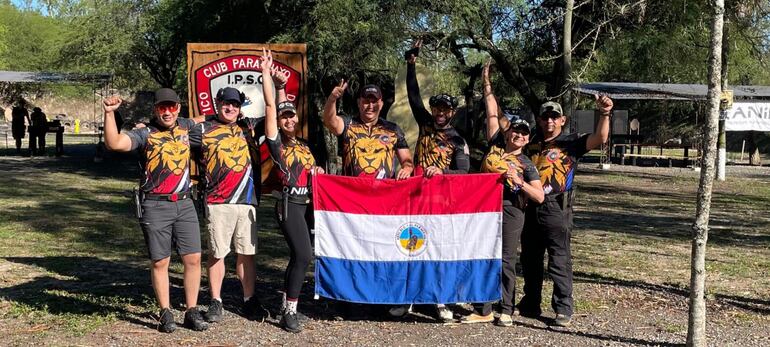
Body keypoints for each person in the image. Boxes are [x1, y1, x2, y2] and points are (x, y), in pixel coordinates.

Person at [101, 88, 208, 333]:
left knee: (193, 258)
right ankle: (165, 312)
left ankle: (191, 310)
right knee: (161, 261)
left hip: (184, 202)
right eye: (162, 107)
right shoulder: (145, 133)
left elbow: (203, 120)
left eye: (171, 107)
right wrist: (109, 113)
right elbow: (114, 143)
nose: (167, 112)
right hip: (155, 203)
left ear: (179, 108)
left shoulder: (185, 126)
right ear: (155, 110)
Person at [517, 88, 613, 327]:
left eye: (554, 117)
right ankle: (530, 303)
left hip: (556, 208)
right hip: (529, 206)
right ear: (539, 120)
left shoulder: (572, 143)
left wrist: (605, 114)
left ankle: (563, 308)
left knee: (559, 258)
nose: (549, 121)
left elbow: (600, 138)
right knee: (530, 258)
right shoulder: (530, 144)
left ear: (562, 120)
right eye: (545, 117)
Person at [461, 61, 544, 326]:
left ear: (527, 139)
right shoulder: (496, 144)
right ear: (507, 133)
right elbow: (492, 110)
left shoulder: (527, 163)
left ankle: (506, 307)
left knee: (506, 259)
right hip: (485, 208)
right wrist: (487, 81)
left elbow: (539, 196)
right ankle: (483, 307)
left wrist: (519, 181)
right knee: (483, 253)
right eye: (515, 131)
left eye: (523, 133)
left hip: (511, 210)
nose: (518, 135)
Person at [397, 40, 470, 322]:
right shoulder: (425, 124)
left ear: (452, 112)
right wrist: (411, 65)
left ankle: (441, 300)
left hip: (442, 202)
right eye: (436, 108)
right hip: (415, 197)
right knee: (412, 246)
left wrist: (442, 173)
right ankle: (411, 297)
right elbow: (414, 97)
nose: (440, 113)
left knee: (439, 250)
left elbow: (464, 173)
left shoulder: (458, 139)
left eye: (445, 110)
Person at [189, 86, 265, 323]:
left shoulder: (248, 126)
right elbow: (177, 126)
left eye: (235, 104)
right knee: (217, 253)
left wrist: (279, 86)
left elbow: (274, 114)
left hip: (246, 200)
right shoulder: (203, 129)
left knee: (246, 253)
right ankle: (216, 301)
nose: (230, 108)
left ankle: (249, 300)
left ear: (240, 107)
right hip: (217, 200)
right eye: (225, 103)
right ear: (216, 102)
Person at [261, 49, 323, 332]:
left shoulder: (304, 145)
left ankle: (292, 303)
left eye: (291, 116)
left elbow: (312, 173)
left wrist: (319, 173)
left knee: (305, 255)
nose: (288, 120)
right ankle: (289, 311)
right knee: (303, 255)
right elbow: (272, 108)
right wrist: (269, 78)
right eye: (283, 117)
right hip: (289, 205)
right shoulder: (277, 144)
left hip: (309, 204)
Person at [323, 81, 414, 179]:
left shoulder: (393, 129)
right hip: (353, 192)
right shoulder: (348, 124)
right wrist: (332, 99)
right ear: (359, 103)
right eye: (366, 102)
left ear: (381, 104)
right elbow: (330, 121)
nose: (370, 106)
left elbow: (407, 161)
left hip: (384, 192)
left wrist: (407, 169)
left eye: (374, 102)